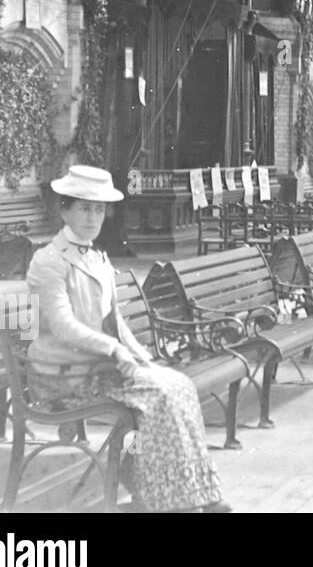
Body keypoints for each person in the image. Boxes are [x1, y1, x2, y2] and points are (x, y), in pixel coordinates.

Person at [26, 165, 232, 513]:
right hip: (63, 375)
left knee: (177, 383)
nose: (93, 217)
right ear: (64, 210)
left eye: (98, 209)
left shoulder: (98, 259)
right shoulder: (48, 262)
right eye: (83, 208)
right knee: (161, 394)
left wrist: (142, 358)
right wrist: (115, 350)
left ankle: (196, 493)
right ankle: (163, 500)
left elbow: (115, 320)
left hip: (97, 368)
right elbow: (62, 325)